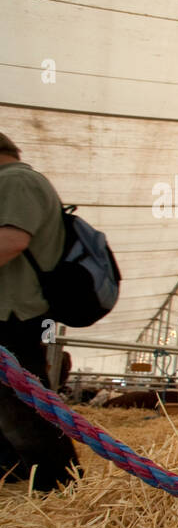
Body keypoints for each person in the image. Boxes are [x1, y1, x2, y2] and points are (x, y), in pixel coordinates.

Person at [0, 133, 81, 490]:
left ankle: (60, 483)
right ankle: (16, 470)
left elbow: (12, 241)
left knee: (23, 405)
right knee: (13, 404)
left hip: (16, 312)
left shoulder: (17, 180)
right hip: (17, 310)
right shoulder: (19, 180)